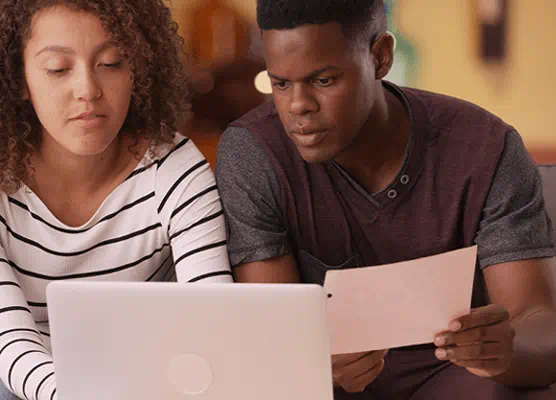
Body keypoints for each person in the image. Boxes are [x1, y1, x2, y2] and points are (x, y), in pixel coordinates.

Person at [215, 0, 556, 399]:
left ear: (381, 57)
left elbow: (538, 324)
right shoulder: (254, 154)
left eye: (323, 80)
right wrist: (309, 364)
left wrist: (506, 349)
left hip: (459, 379)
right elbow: (272, 337)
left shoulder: (484, 148)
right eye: (281, 83)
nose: (298, 106)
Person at [0, 1, 233, 399]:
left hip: (150, 378)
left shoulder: (174, 168)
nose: (88, 89)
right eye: (58, 68)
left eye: (112, 63)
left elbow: (214, 325)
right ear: (18, 77)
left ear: (137, 69)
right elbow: (11, 344)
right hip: (26, 379)